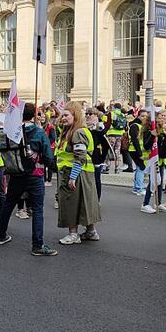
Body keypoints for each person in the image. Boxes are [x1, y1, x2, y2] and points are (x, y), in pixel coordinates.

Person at [0, 103, 57, 255]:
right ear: (33, 115)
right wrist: (54, 168)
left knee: (9, 204)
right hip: (34, 175)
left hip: (15, 173)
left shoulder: (10, 132)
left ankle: (1, 234)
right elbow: (48, 157)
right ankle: (37, 245)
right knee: (37, 209)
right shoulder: (38, 132)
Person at [56, 102, 101, 245]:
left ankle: (73, 234)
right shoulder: (76, 131)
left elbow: (80, 156)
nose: (62, 118)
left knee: (71, 204)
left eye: (66, 115)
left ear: (75, 116)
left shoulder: (77, 132)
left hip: (75, 173)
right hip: (84, 173)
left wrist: (72, 177)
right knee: (85, 203)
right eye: (62, 115)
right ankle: (91, 231)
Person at [127, 109, 149, 195]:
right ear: (138, 116)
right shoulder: (135, 126)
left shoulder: (141, 126)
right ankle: (138, 188)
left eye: (146, 116)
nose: (144, 118)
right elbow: (135, 140)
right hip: (135, 150)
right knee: (141, 168)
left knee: (140, 168)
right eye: (142, 116)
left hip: (138, 150)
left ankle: (137, 187)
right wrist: (140, 153)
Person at [105, 103, 127, 174]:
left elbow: (108, 124)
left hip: (111, 134)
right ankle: (117, 168)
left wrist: (105, 132)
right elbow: (125, 125)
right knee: (117, 151)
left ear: (114, 107)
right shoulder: (123, 115)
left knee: (109, 150)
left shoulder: (111, 114)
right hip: (120, 135)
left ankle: (107, 167)